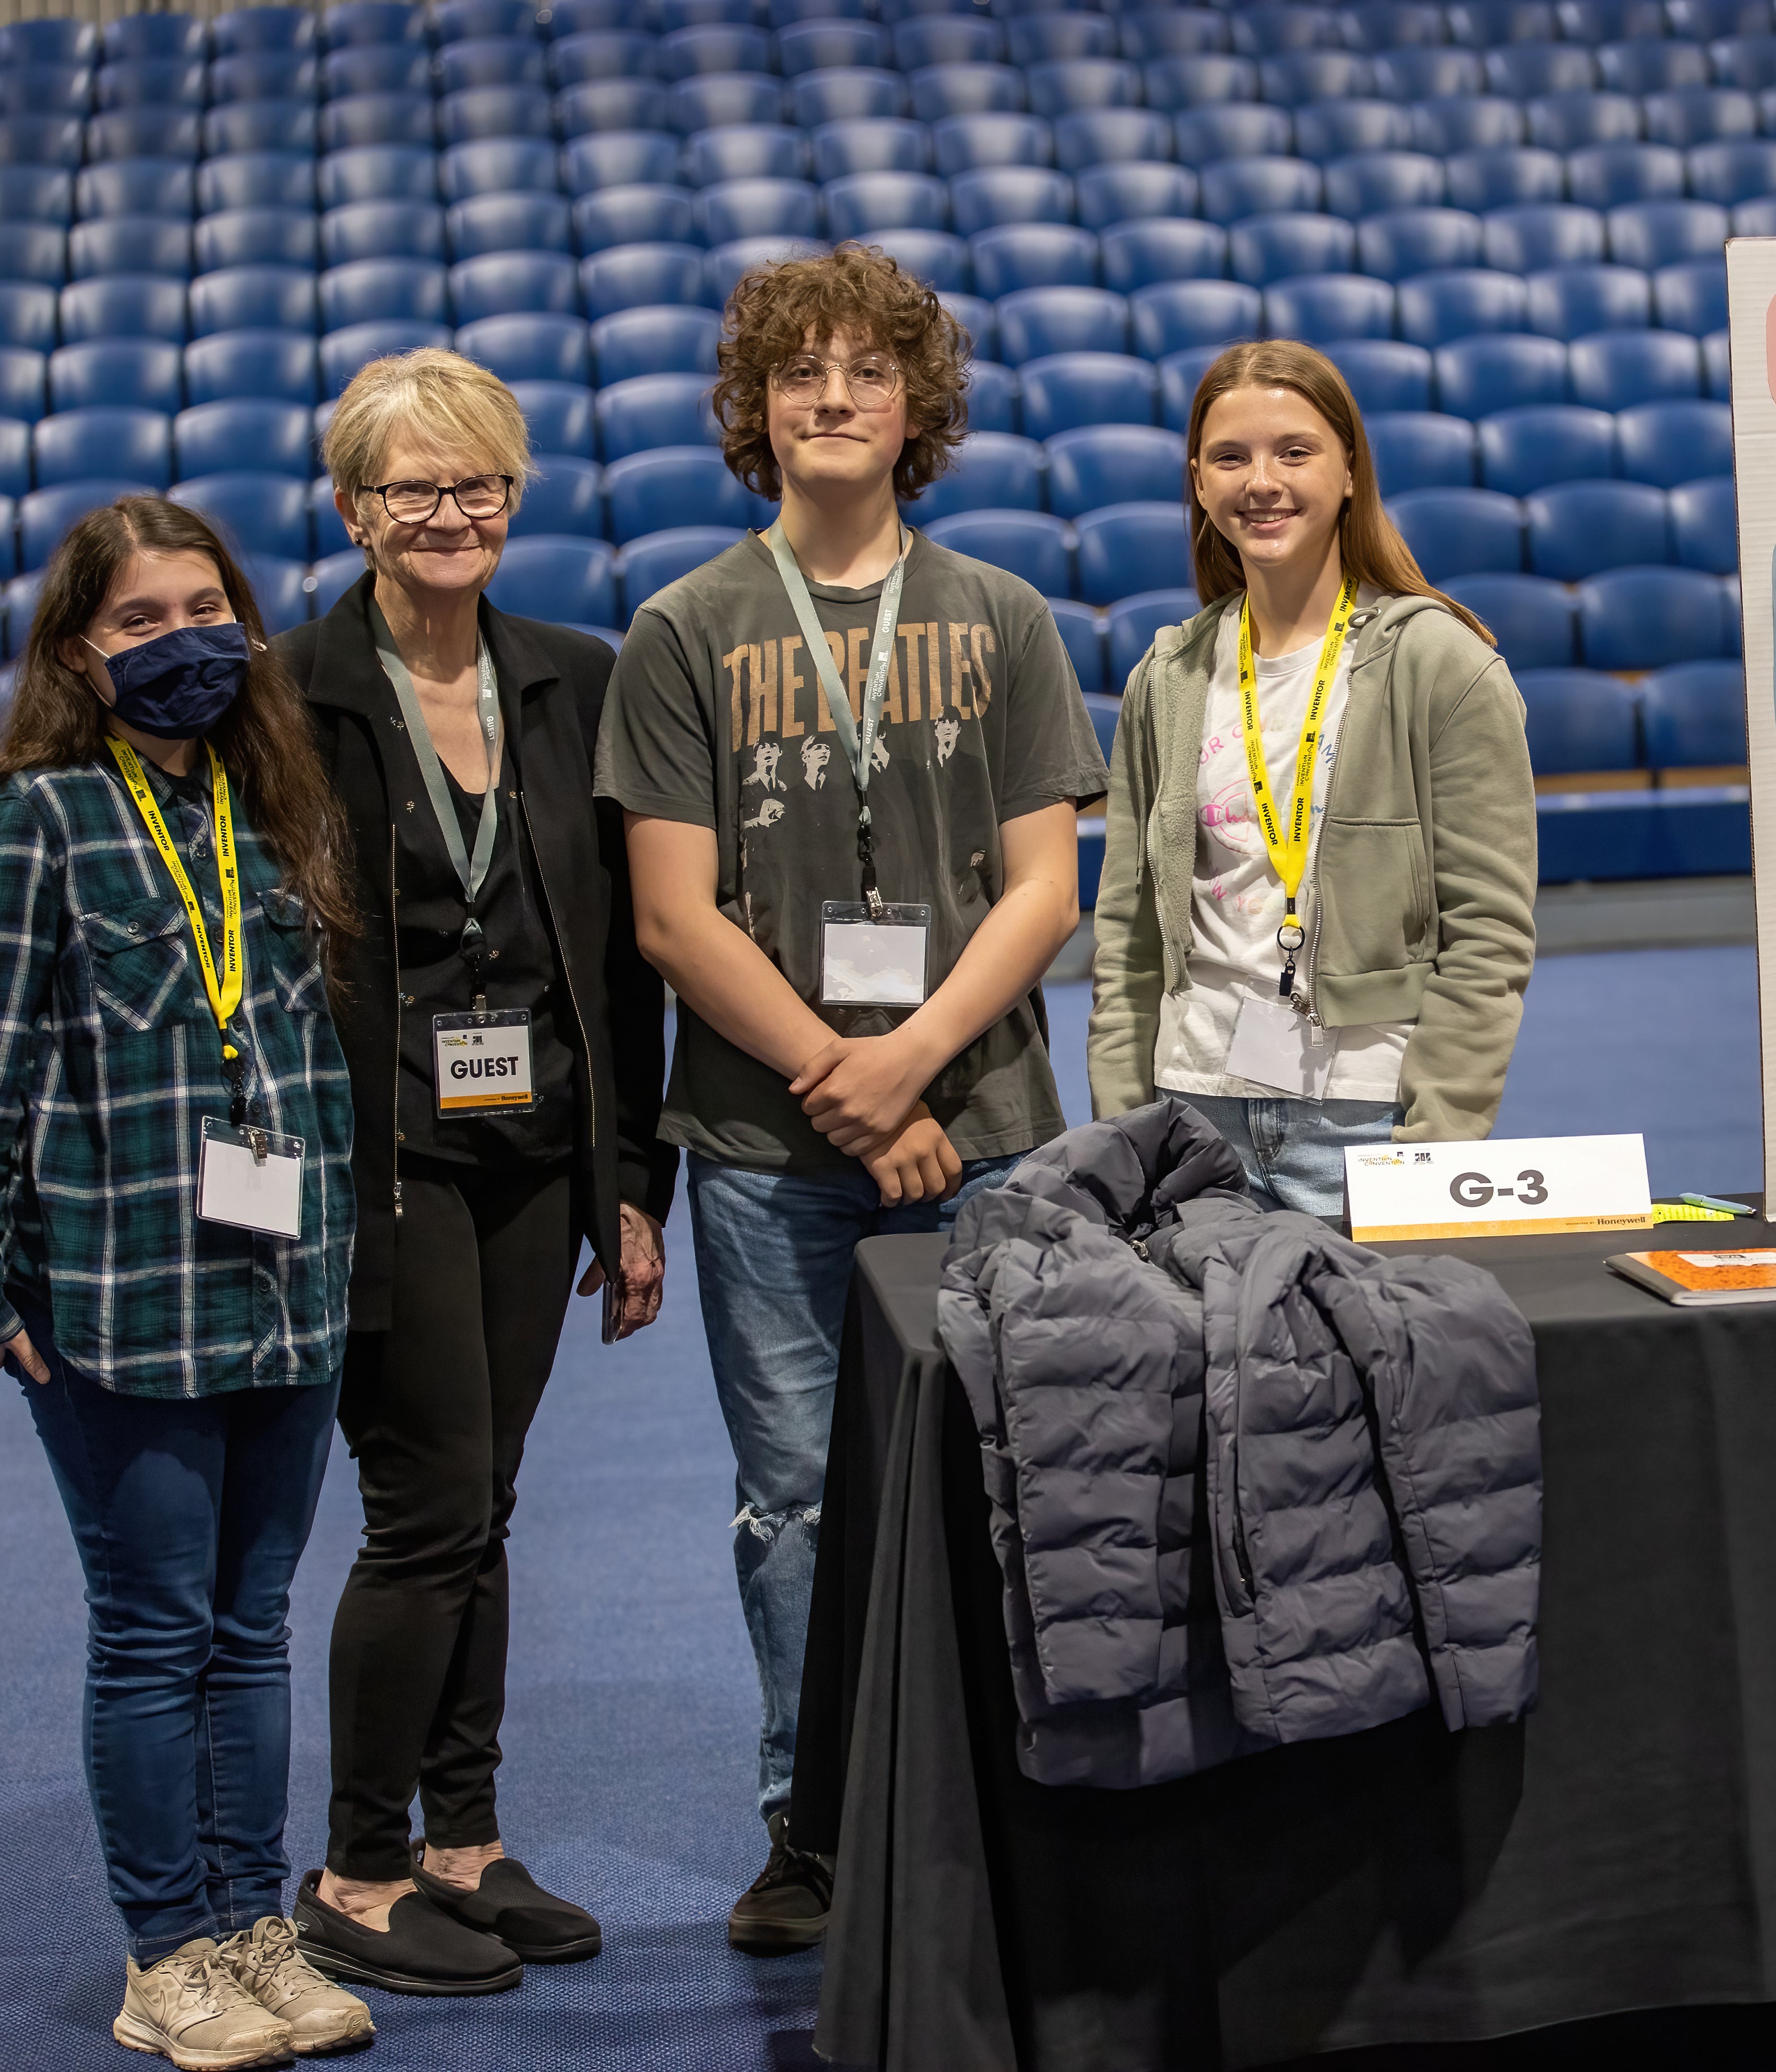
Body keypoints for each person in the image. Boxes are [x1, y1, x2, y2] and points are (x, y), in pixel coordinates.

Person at [595, 246, 1106, 1952]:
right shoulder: (686, 629)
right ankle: (814, 1821)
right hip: (765, 1149)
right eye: (797, 374)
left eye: (866, 372)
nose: (831, 397)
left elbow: (1046, 890)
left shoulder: (1004, 616)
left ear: (916, 409)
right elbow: (673, 915)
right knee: (800, 1495)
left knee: (1023, 1468)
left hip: (990, 1123)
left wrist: (909, 1062)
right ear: (754, 411)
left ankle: (1022, 1796)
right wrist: (852, 1082)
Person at [0, 497, 376, 2070]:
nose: (185, 643)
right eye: (140, 622)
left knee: (253, 1626)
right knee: (156, 1628)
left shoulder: (269, 809)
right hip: (122, 1294)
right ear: (78, 655)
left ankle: (255, 1926)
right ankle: (166, 1949)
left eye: (205, 608)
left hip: (285, 1293)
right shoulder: (38, 819)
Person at [279, 349, 676, 1997]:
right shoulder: (288, 694)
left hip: (538, 1150)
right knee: (429, 1507)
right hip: (383, 1162)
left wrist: (630, 1178)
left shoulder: (576, 678)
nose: (449, 515)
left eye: (477, 485)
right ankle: (361, 1867)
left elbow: (626, 954)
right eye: (412, 489)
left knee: (484, 1505)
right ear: (356, 508)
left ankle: (463, 1840)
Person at [1088, 339, 1538, 1213]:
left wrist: (1437, 1145)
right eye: (1231, 456)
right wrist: (1126, 1128)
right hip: (1192, 1117)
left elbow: (1489, 933)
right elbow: (1129, 928)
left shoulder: (1442, 664)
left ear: (1348, 472)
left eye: (1295, 451)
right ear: (1198, 481)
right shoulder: (1168, 676)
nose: (1262, 481)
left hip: (1367, 1125)